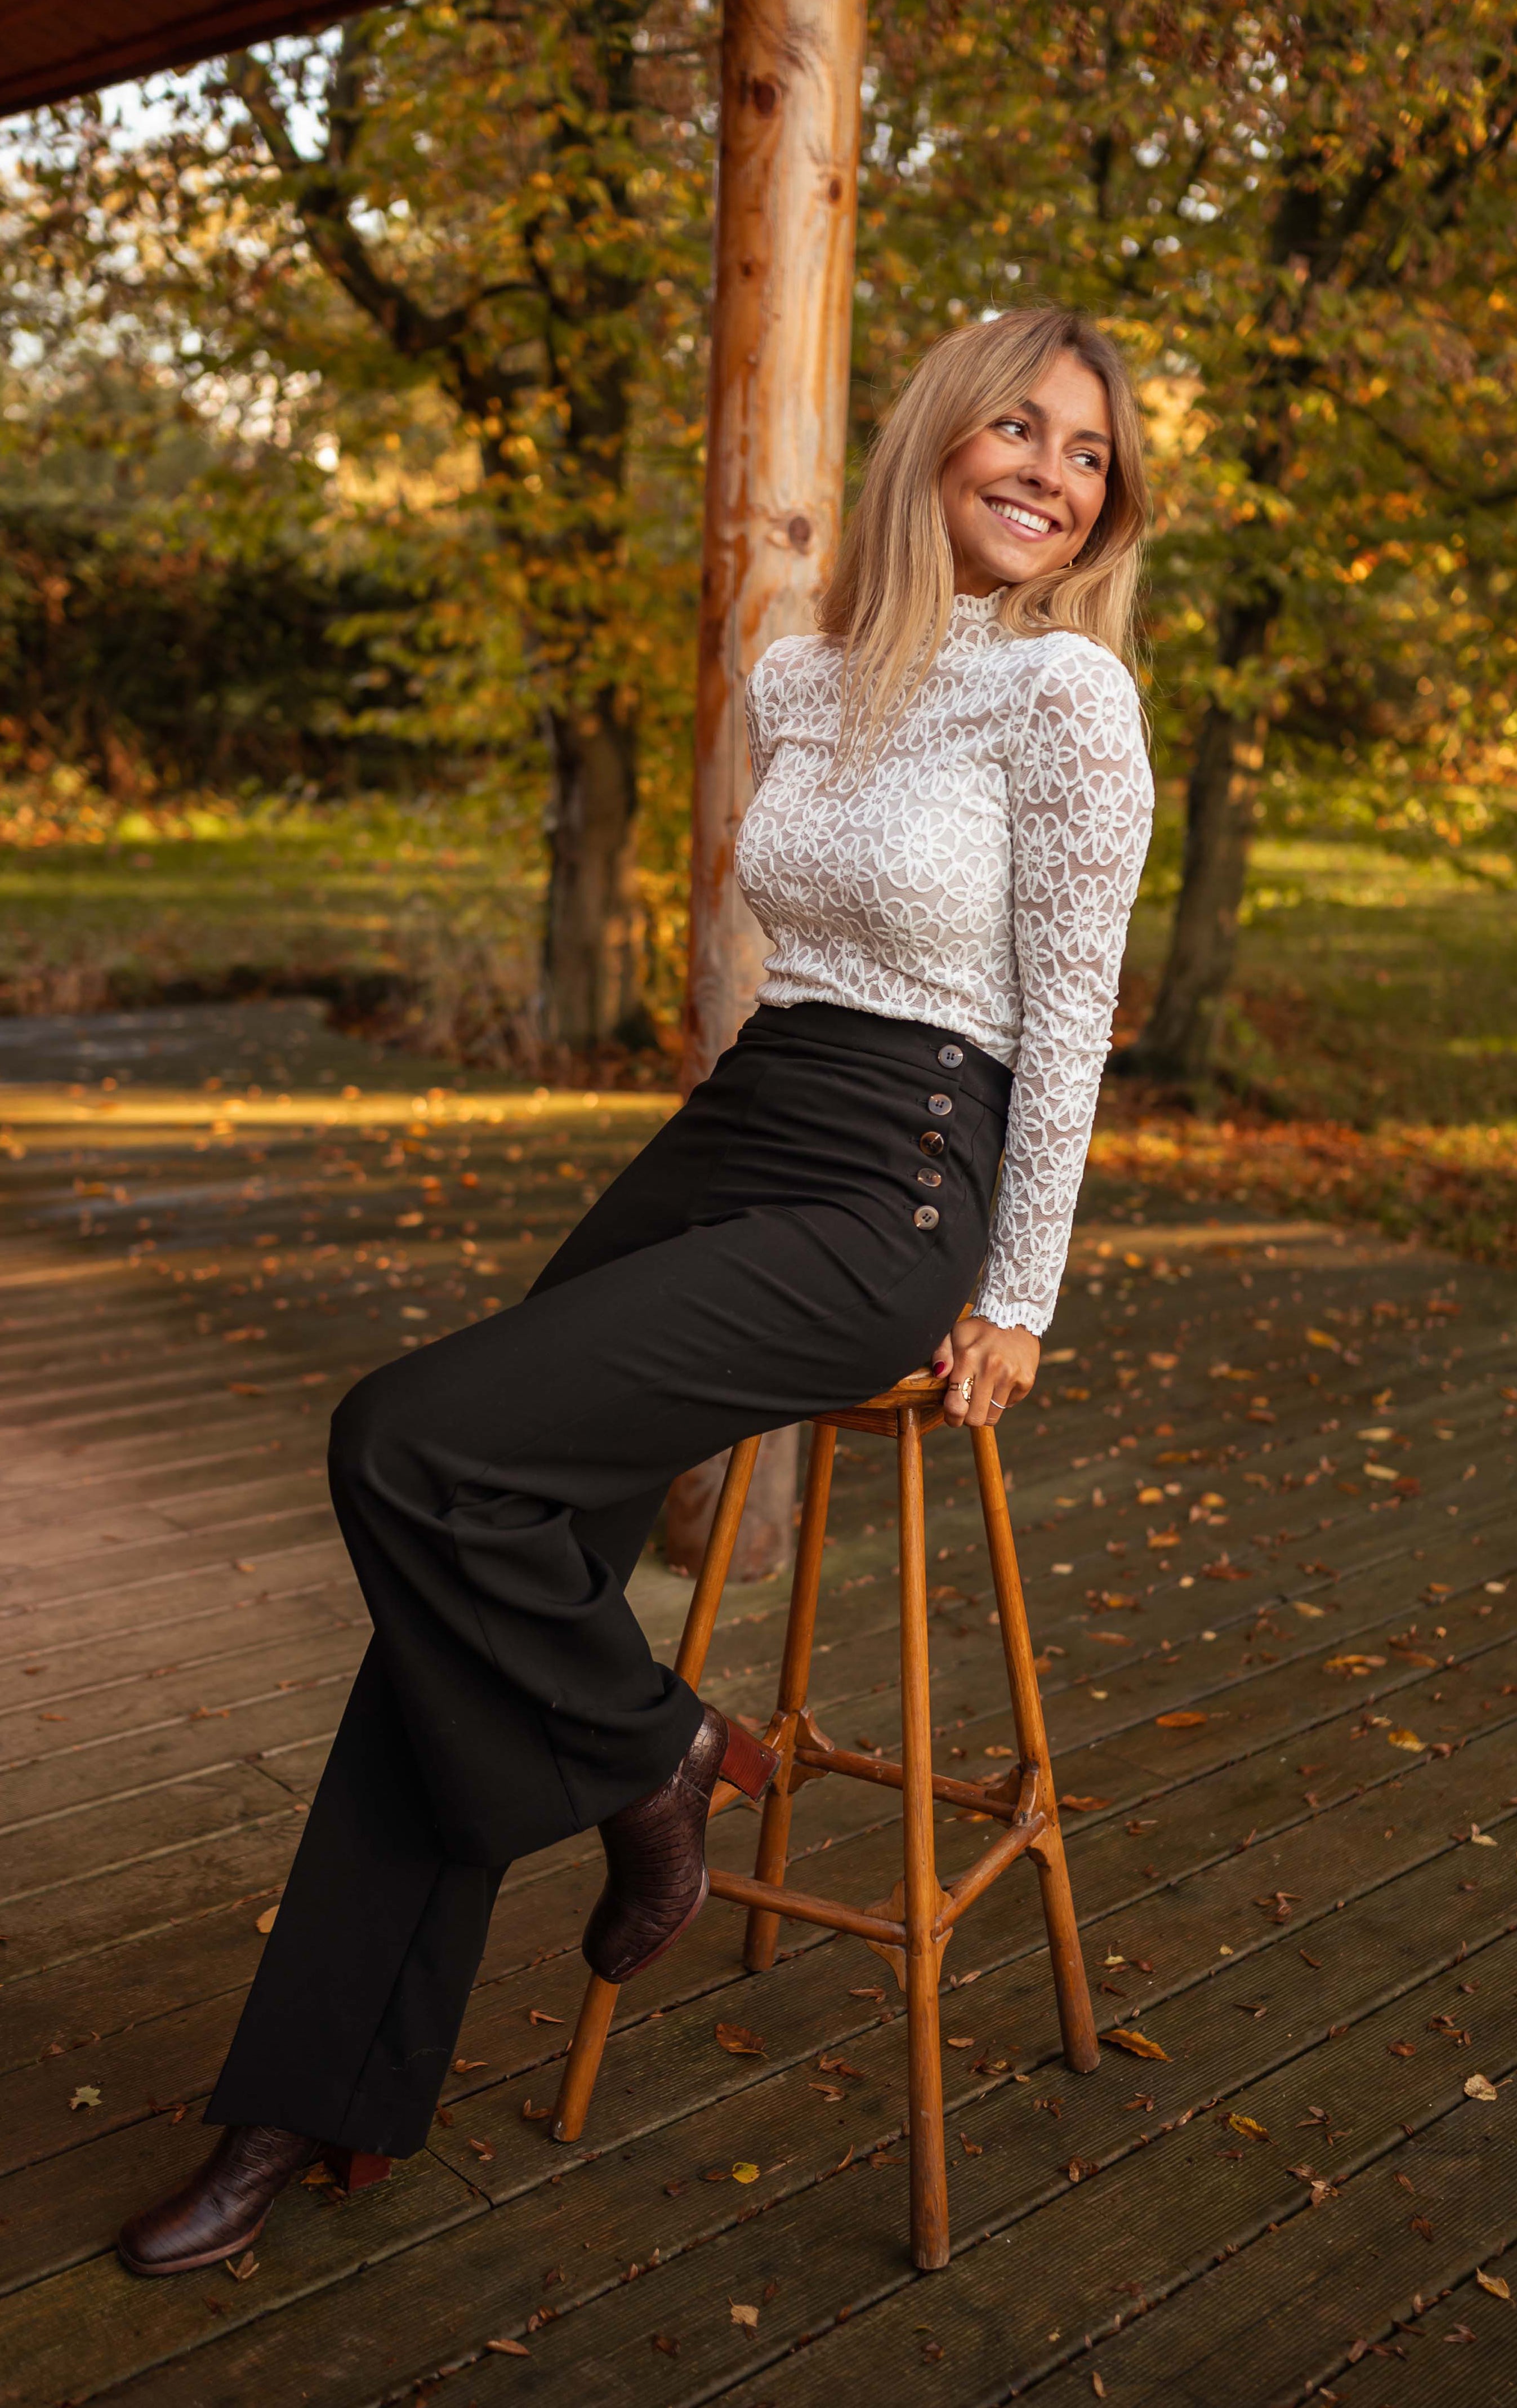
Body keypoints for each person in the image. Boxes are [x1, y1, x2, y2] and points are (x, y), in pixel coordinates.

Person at [116, 304, 1155, 2276]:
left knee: (403, 1439)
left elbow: (1075, 1023)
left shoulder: (1066, 705)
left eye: (1086, 451)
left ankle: (646, 1756)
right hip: (747, 1117)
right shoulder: (804, 670)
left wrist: (1018, 1292)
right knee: (470, 1551)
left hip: (905, 1168)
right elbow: (798, 942)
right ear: (934, 445)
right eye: (1014, 426)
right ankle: (317, 2085)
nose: (1049, 468)